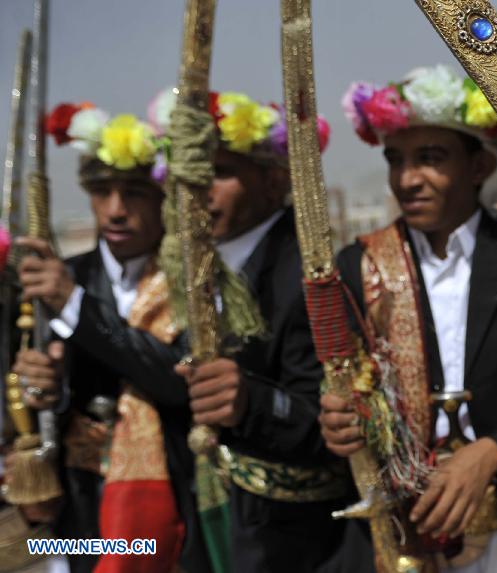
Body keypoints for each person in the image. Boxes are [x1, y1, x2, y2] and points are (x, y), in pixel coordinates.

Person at [320, 65, 497, 572]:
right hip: (402, 531)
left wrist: (495, 450)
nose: (407, 179)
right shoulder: (359, 266)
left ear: (479, 167)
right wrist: (340, 420)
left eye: (429, 159)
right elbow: (344, 386)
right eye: (396, 160)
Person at [152, 88, 361, 572]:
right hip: (215, 517)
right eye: (194, 172)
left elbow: (332, 422)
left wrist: (252, 401)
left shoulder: (310, 274)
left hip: (297, 543)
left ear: (273, 182)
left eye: (221, 172)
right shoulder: (190, 269)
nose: (200, 188)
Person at [14, 102, 210, 572]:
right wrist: (43, 389)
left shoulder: (195, 284)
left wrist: (77, 307)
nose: (116, 210)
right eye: (102, 192)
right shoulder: (58, 281)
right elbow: (34, 395)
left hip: (175, 511)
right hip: (80, 516)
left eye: (135, 193)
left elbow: (175, 380)